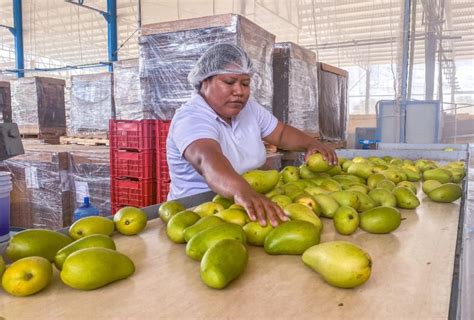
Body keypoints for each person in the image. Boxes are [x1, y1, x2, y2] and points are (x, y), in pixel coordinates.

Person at [166, 43, 337, 227]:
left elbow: (280, 133)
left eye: (245, 83)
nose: (239, 91)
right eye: (229, 82)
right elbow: (206, 160)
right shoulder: (191, 117)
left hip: (243, 208)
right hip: (195, 217)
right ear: (204, 82)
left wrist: (311, 144)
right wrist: (243, 191)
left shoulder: (248, 109)